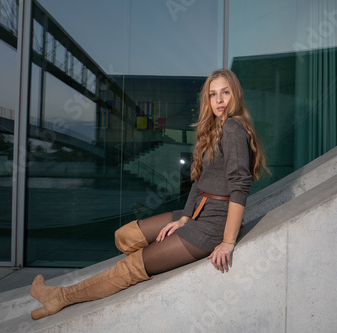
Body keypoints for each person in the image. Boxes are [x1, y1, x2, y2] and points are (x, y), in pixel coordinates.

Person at [30, 69, 268, 320]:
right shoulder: (215, 129)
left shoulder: (232, 128)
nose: (219, 100)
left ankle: (60, 297)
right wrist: (184, 218)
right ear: (207, 100)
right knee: (125, 237)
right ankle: (146, 261)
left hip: (212, 226)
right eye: (213, 94)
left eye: (225, 93)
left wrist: (228, 241)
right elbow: (199, 183)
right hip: (198, 214)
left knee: (129, 267)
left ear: (236, 95)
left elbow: (240, 186)